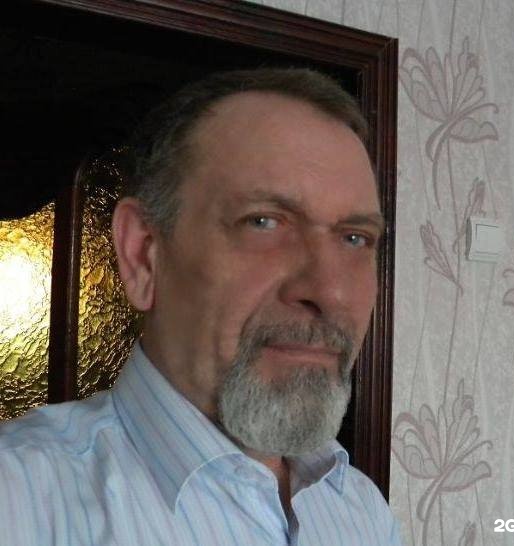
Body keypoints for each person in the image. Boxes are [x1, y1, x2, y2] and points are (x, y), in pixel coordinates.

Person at [0, 68, 402, 545]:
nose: (330, 291)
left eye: (355, 238)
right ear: (143, 254)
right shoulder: (18, 500)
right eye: (263, 222)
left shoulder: (359, 509)